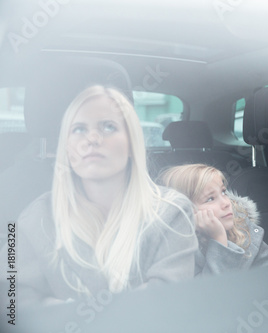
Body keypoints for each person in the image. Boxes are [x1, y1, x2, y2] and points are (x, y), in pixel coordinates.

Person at [7, 85, 197, 305]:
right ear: (67, 148)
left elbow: (166, 305)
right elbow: (11, 301)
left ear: (131, 143)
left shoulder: (171, 213)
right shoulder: (34, 218)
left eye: (108, 127)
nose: (93, 139)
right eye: (78, 129)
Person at [161, 164, 268, 275]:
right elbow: (211, 294)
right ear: (185, 211)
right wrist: (219, 240)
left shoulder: (243, 230)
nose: (226, 203)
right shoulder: (178, 253)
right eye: (210, 199)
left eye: (223, 192)